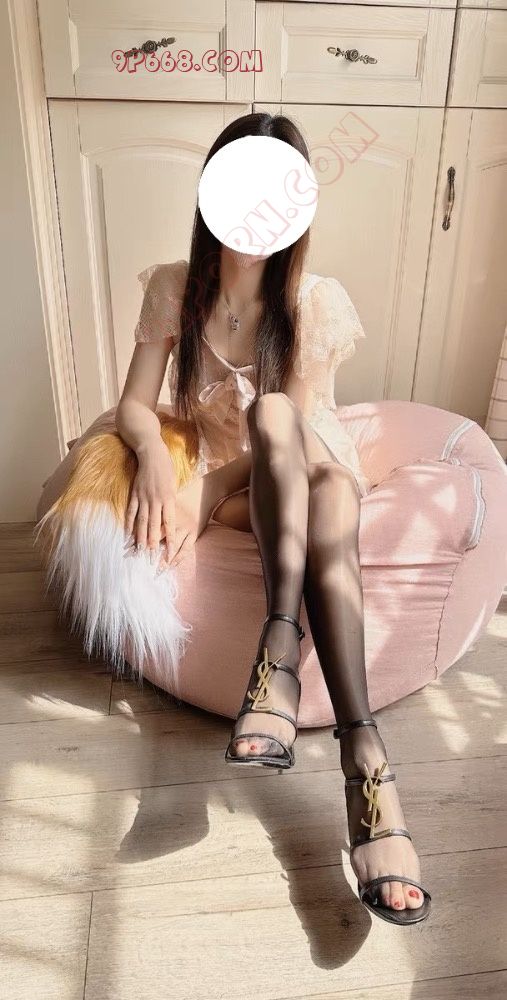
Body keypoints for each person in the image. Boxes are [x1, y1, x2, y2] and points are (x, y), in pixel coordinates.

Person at [35, 112, 430, 925]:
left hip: (293, 468)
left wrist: (209, 490)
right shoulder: (174, 287)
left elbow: (296, 430)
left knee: (283, 420)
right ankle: (361, 761)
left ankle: (292, 680)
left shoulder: (312, 301)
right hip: (245, 489)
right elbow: (133, 404)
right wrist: (158, 459)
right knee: (299, 460)